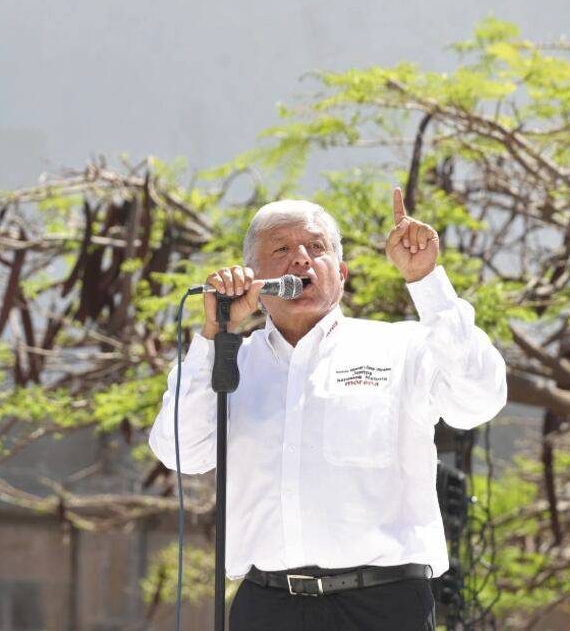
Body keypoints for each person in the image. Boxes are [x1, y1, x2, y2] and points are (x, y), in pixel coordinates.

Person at [148, 189, 507, 630]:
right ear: (253, 278)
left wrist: (426, 281)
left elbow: (479, 400)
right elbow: (180, 453)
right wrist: (212, 334)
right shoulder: (229, 362)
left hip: (383, 605)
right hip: (267, 605)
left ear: (340, 272)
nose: (301, 259)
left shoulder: (400, 346)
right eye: (281, 249)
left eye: (316, 248)